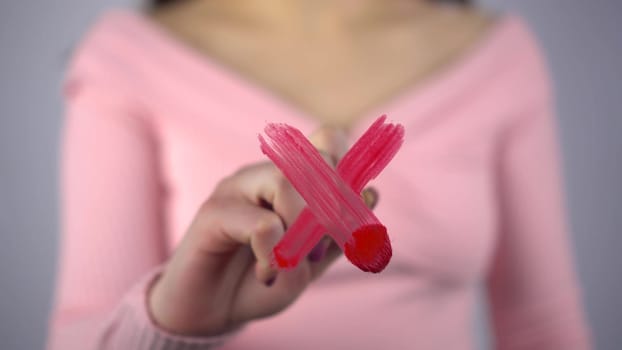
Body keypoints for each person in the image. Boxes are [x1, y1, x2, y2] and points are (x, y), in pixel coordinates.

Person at [47, 0, 592, 349]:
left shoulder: (499, 55)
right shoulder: (128, 57)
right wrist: (172, 320)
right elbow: (79, 333)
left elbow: (541, 328)